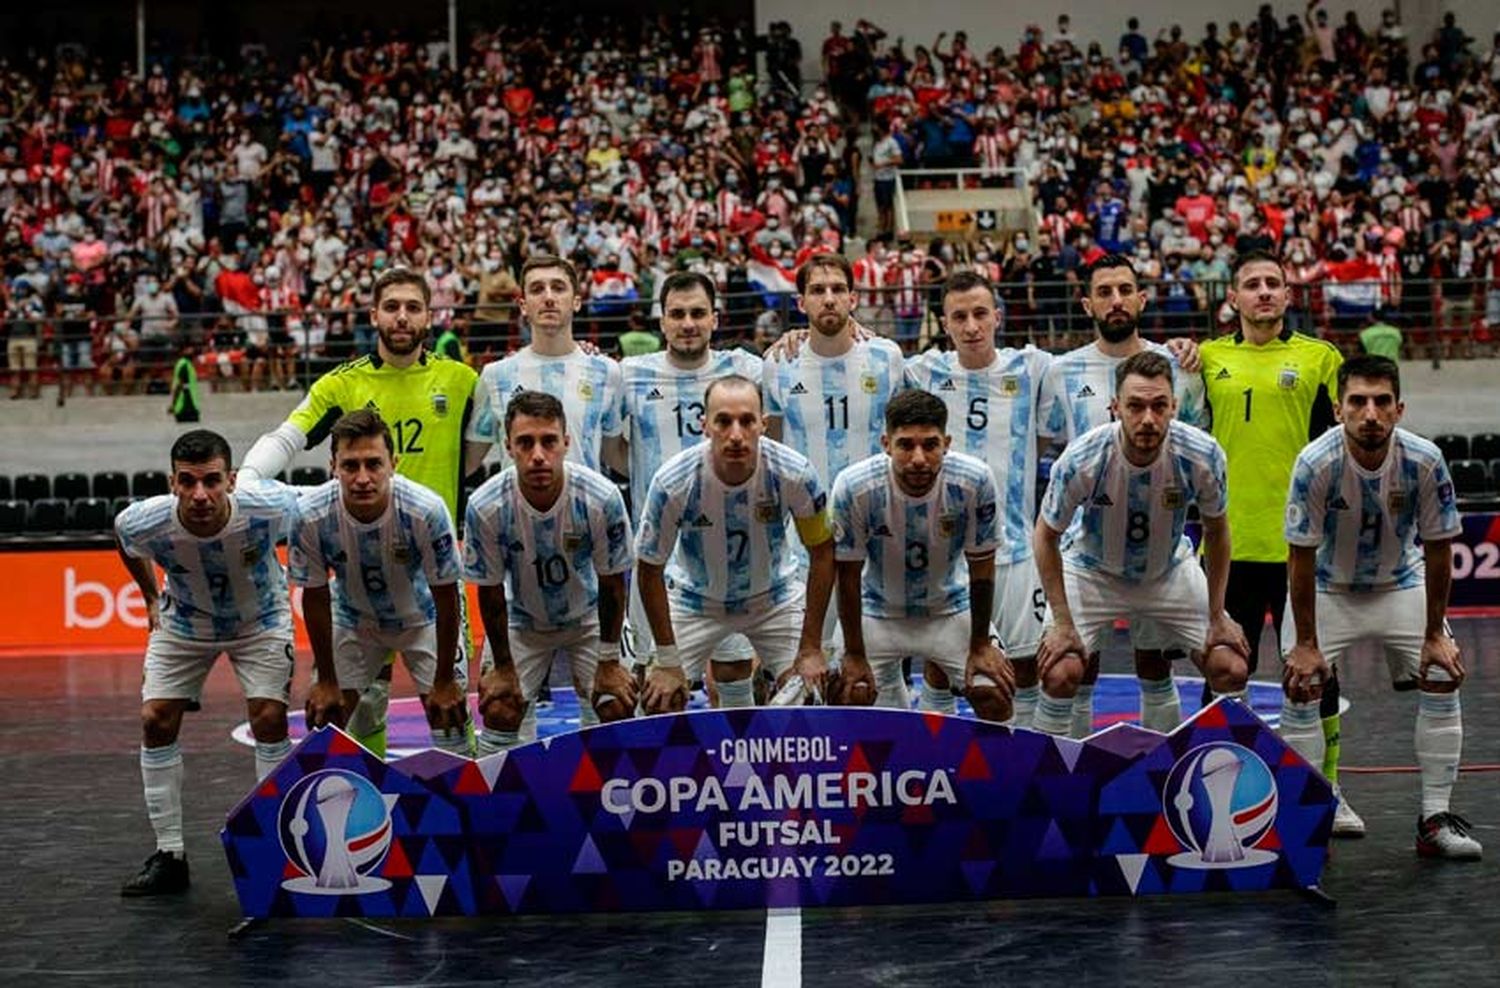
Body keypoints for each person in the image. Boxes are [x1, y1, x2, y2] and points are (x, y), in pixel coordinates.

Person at [238, 266, 479, 756]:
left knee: (448, 703)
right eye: (392, 307)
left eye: (413, 307)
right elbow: (290, 435)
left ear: (429, 317)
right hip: (358, 573)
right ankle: (374, 811)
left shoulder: (461, 381)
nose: (402, 317)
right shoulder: (341, 384)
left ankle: (467, 809)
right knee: (362, 706)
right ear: (374, 315)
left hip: (432, 572)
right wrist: (245, 480)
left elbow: (519, 418)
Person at [1279, 355, 1479, 859]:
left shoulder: (1426, 459)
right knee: (1301, 686)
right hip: (1329, 587)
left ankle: (1434, 819)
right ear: (1337, 408)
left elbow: (1438, 548)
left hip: (1400, 583)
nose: (1370, 412)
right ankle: (1308, 814)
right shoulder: (1315, 462)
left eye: (1382, 402)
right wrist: (1305, 643)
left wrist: (1435, 633)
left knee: (1442, 674)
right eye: (1358, 401)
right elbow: (1299, 557)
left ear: (1400, 408)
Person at [1198, 250, 1355, 833]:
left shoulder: (1322, 358)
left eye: (1274, 284)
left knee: (1319, 672)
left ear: (1289, 296)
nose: (1263, 293)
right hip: (1229, 548)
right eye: (1251, 285)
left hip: (1303, 550)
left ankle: (1328, 790)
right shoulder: (1208, 359)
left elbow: (1346, 446)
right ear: (1232, 298)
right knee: (1224, 669)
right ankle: (1228, 795)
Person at [114, 430, 299, 895]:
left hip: (261, 619)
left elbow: (322, 520)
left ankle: (276, 849)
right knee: (155, 719)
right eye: (189, 481)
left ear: (232, 480)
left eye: (212, 481)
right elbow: (125, 541)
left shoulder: (273, 506)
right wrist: (150, 597)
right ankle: (169, 853)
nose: (201, 494)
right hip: (185, 621)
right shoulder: (143, 521)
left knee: (270, 717)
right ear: (172, 482)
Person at [1033, 352, 1249, 736]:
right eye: (1135, 406)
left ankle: (1228, 780)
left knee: (1230, 665)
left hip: (1167, 570)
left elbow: (1217, 530)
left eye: (1158, 406)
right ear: (1115, 407)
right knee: (1060, 671)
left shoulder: (1202, 454)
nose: (1147, 418)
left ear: (1174, 407)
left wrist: (1218, 615)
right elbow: (1046, 536)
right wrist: (1062, 621)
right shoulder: (1083, 457)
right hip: (1092, 570)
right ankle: (1057, 785)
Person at [1038, 254, 1207, 736]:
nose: (1116, 300)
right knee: (1075, 669)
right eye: (1105, 292)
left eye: (1125, 290)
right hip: (1085, 550)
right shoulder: (1061, 371)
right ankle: (1073, 778)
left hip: (1158, 546)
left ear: (1142, 298)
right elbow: (1048, 449)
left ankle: (1157, 775)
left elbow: (1195, 439)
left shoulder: (1176, 364)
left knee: (1155, 666)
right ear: (1087, 303)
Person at [634, 375, 835, 713]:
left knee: (811, 693)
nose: (736, 434)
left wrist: (812, 646)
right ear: (704, 426)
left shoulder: (795, 473)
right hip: (695, 600)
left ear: (763, 425)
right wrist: (668, 661)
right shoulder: (672, 482)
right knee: (659, 699)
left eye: (747, 421)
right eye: (723, 422)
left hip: (775, 599)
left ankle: (778, 762)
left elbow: (823, 552)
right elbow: (649, 569)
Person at [905, 272, 1050, 723]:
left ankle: (1025, 760)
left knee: (1026, 668)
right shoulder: (922, 371)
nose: (971, 326)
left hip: (1016, 547)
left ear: (998, 318)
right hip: (947, 552)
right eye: (960, 317)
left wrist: (1177, 350)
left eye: (980, 314)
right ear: (944, 324)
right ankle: (936, 764)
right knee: (938, 667)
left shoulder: (1034, 367)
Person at [463, 391, 636, 754]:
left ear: (566, 443)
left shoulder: (600, 498)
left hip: (590, 615)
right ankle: (511, 795)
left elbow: (613, 585)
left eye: (548, 442)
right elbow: (491, 592)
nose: (538, 455)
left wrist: (608, 661)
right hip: (523, 619)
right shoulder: (486, 505)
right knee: (499, 705)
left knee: (616, 702)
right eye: (525, 443)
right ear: (508, 447)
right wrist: (504, 667)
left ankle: (601, 783)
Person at [290, 409, 470, 756]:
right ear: (333, 466)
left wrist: (445, 679)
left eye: (373, 464)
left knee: (449, 715)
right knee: (327, 716)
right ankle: (355, 799)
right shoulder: (310, 514)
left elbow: (447, 597)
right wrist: (326, 680)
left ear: (393, 464)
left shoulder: (425, 510)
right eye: (350, 465)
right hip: (355, 621)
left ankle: (465, 798)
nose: (362, 477)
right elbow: (314, 597)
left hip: (423, 619)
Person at [831, 389, 1015, 720]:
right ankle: (891, 698)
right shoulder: (854, 487)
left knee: (993, 694)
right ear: (886, 443)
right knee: (850, 693)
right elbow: (846, 578)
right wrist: (855, 653)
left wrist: (980, 644)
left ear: (946, 443)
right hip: (877, 610)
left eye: (930, 445)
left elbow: (983, 570)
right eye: (905, 445)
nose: (918, 458)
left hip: (949, 608)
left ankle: (997, 772)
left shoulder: (975, 481)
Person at [764, 254, 908, 654]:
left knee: (875, 668)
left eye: (838, 290)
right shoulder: (778, 363)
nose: (828, 299)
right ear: (801, 303)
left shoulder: (888, 359)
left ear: (854, 298)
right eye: (817, 291)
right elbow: (771, 452)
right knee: (805, 661)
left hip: (877, 535)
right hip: (803, 545)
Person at [619, 272, 762, 669]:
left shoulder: (747, 369)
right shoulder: (628, 374)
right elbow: (614, 451)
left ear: (715, 319)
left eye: (698, 313)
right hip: (658, 556)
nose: (687, 323)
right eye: (677, 314)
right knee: (654, 675)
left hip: (730, 551)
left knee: (734, 674)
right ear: (661, 321)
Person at [464, 254, 625, 478]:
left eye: (558, 288)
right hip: (517, 511)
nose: (548, 297)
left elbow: (616, 455)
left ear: (576, 302)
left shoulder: (607, 372)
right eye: (537, 289)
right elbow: (467, 461)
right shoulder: (496, 376)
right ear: (523, 305)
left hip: (584, 511)